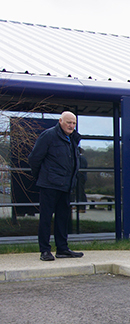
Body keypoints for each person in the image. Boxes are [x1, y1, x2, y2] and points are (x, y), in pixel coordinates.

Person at [28, 111, 84, 261]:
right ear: (60, 121)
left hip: (66, 186)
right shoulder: (49, 135)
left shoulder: (72, 138)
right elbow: (34, 158)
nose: (71, 126)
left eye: (73, 123)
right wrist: (41, 177)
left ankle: (62, 249)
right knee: (46, 218)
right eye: (68, 122)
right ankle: (45, 250)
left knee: (62, 218)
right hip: (49, 185)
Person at [76, 148, 88, 213]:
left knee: (80, 192)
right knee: (78, 192)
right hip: (79, 177)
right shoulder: (81, 158)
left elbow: (81, 169)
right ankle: (79, 205)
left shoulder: (80, 158)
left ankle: (82, 207)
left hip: (80, 177)